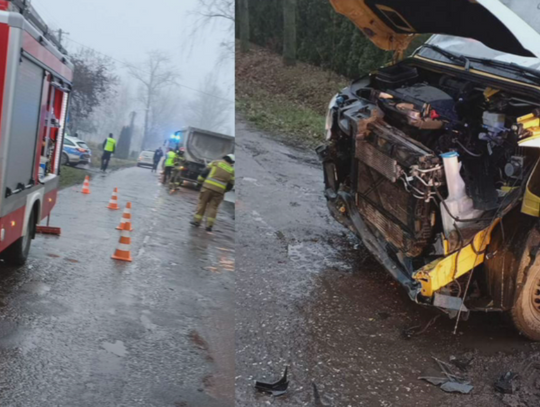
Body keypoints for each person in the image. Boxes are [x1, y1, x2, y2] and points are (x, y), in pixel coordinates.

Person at [191, 154, 235, 232]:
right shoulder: (232, 170)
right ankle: (209, 226)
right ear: (231, 161)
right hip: (219, 191)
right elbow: (230, 185)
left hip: (207, 187)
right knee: (213, 207)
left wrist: (199, 182)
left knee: (202, 204)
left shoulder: (215, 162)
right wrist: (223, 190)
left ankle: (196, 221)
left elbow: (204, 173)